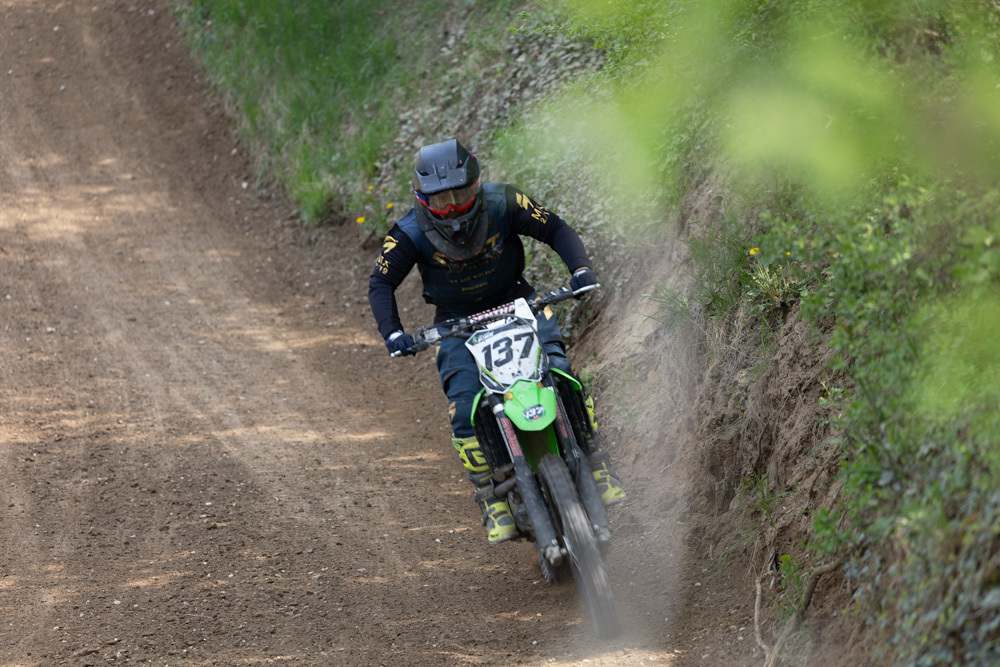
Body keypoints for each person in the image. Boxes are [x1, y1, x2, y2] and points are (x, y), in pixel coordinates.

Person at [368, 138, 625, 544]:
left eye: (461, 194)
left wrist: (580, 270)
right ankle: (491, 496)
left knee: (560, 373)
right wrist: (393, 333)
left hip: (519, 302)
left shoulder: (505, 201)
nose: (453, 208)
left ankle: (597, 463)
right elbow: (381, 282)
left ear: (477, 184)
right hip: (456, 323)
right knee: (463, 407)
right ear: (422, 199)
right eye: (441, 201)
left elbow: (554, 228)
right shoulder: (409, 232)